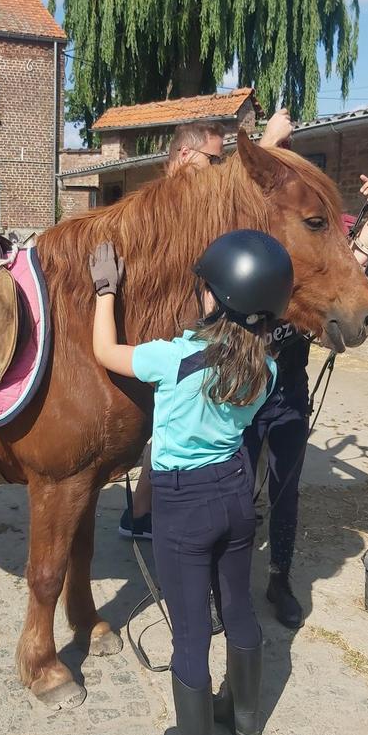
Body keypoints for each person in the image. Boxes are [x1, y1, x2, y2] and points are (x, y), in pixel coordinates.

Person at [89, 230, 294, 735]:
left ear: (216, 298)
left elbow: (105, 352)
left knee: (190, 631)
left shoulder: (172, 357)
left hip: (183, 503)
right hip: (235, 491)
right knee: (238, 606)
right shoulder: (268, 369)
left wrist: (105, 291)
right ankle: (246, 718)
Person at [118, 109, 294, 540]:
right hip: (165, 336)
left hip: (175, 334)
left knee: (171, 421)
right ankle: (151, 513)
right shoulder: (170, 199)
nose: (219, 170)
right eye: (214, 160)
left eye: (223, 161)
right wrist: (264, 150)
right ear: (182, 155)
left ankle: (142, 513)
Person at [245, 174, 368, 629]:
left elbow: (353, 258)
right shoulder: (259, 262)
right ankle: (223, 583)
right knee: (232, 493)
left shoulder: (315, 269)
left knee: (286, 490)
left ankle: (280, 578)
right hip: (243, 395)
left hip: (289, 392)